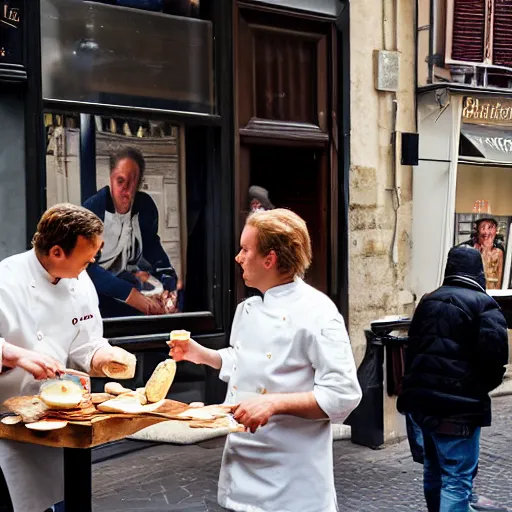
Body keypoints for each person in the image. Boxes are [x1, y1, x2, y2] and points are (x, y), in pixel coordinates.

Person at [169, 208, 362, 512]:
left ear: (269, 260)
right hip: (242, 468)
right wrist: (199, 354)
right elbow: (245, 362)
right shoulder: (247, 309)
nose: (238, 257)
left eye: (245, 249)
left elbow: (343, 394)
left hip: (292, 483)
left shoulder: (318, 312)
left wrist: (273, 403)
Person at [0, 203, 137, 512]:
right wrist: (13, 354)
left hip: (64, 421)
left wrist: (104, 357)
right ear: (58, 252)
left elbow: (86, 343)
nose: (91, 264)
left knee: (67, 498)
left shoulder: (79, 281)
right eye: (87, 258)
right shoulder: (5, 281)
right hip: (8, 423)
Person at [397, 245, 509, 512]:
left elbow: (412, 351)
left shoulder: (428, 300)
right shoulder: (484, 305)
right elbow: (495, 362)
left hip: (424, 406)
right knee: (457, 480)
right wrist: (474, 390)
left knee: (433, 471)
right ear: (478, 272)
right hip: (458, 413)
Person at [83, 147, 179, 318]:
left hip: (130, 286)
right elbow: (87, 268)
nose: (125, 191)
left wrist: (168, 280)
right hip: (95, 297)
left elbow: (151, 247)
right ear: (111, 178)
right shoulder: (92, 211)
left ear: (139, 183)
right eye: (120, 181)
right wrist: (131, 296)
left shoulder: (146, 208)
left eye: (131, 183)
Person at [459, 218, 504, 290]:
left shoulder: (499, 251)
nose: (486, 232)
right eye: (483, 228)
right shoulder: (469, 249)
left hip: (492, 291)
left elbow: (500, 274)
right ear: (477, 230)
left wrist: (497, 293)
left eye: (490, 227)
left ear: (496, 230)